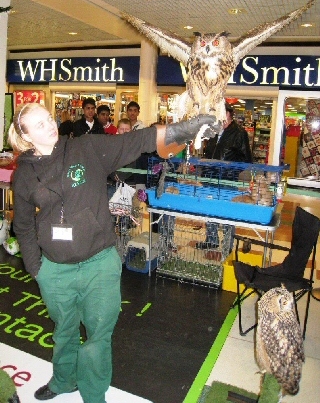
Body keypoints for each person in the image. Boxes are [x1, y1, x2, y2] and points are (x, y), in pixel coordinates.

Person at [8, 103, 217, 403]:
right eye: (39, 124)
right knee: (63, 331)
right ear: (26, 135)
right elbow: (24, 223)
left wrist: (182, 130)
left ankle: (94, 395)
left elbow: (137, 140)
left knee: (98, 337)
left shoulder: (86, 147)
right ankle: (64, 380)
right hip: (54, 269)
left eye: (48, 118)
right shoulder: (25, 172)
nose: (50, 125)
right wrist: (36, 268)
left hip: (99, 264)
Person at [197, 104, 253, 250]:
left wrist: (232, 169)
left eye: (221, 112)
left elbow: (246, 158)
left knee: (228, 211)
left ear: (229, 114)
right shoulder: (213, 130)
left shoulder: (239, 133)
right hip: (209, 177)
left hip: (227, 180)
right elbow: (209, 152)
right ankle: (211, 239)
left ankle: (227, 244)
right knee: (210, 208)